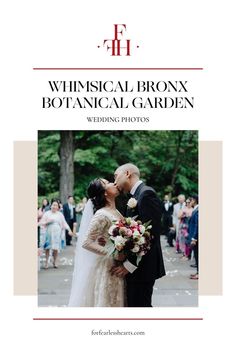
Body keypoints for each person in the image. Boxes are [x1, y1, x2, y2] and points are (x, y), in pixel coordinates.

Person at [112, 163, 166, 307]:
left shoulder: (146, 194)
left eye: (116, 176)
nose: (114, 182)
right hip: (137, 269)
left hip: (143, 269)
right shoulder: (135, 195)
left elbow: (150, 236)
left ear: (128, 173)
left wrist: (129, 266)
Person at [68, 179, 125, 307]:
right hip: (108, 266)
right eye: (107, 183)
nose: (113, 183)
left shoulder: (116, 212)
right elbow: (87, 242)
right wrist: (113, 254)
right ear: (104, 193)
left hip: (119, 265)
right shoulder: (101, 214)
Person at [40, 199, 74, 269]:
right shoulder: (47, 213)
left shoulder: (60, 214)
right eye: (53, 205)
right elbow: (41, 223)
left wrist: (69, 230)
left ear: (58, 207)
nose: (54, 206)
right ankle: (46, 262)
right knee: (47, 247)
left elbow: (64, 223)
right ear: (51, 206)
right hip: (49, 232)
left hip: (57, 233)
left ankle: (55, 262)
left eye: (56, 205)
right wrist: (47, 222)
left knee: (56, 248)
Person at [188, 195, 199, 279]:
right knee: (196, 254)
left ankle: (199, 273)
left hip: (196, 237)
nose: (189, 201)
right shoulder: (195, 209)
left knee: (198, 254)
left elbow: (197, 225)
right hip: (194, 235)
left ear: (194, 200)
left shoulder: (198, 210)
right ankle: (198, 272)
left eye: (190, 200)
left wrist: (194, 238)